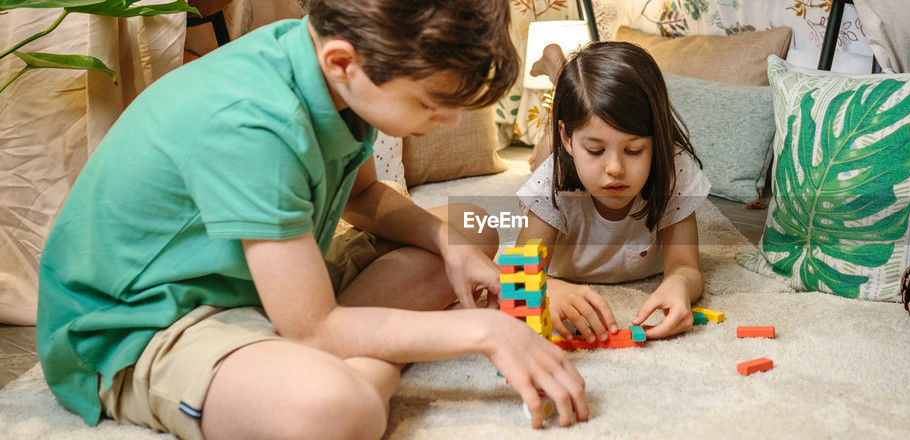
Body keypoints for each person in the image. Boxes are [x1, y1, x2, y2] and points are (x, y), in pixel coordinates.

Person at [37, 1, 587, 438]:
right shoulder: (257, 125)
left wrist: (447, 240)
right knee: (337, 410)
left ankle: (336, 348)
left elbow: (365, 195)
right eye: (428, 104)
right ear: (344, 63)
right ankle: (347, 361)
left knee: (468, 225)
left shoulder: (327, 71)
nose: (444, 123)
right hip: (141, 325)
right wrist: (481, 331)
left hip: (258, 284)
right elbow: (313, 327)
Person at [516, 42, 710, 344]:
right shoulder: (550, 181)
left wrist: (681, 283)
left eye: (633, 150)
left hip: (576, 143)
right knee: (544, 149)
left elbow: (686, 267)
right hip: (560, 158)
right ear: (569, 139)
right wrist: (547, 290)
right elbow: (517, 274)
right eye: (596, 150)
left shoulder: (674, 168)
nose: (615, 169)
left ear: (656, 139)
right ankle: (557, 70)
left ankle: (562, 78)